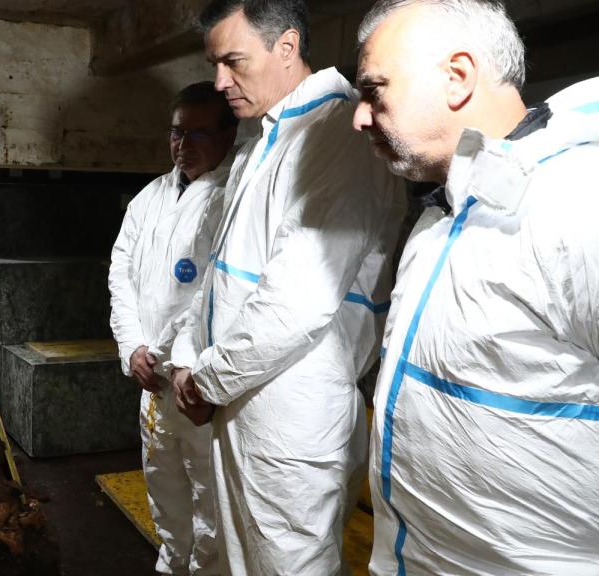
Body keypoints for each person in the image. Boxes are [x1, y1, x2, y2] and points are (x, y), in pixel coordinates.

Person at [353, 1, 599, 573]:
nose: (360, 117)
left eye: (374, 90)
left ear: (458, 76)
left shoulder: (576, 201)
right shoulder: (446, 210)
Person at [164, 1, 405, 574]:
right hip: (240, 394)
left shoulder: (336, 133)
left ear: (287, 47)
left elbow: (296, 302)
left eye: (234, 62)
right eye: (214, 64)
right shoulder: (267, 138)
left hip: (291, 412)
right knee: (241, 559)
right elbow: (220, 272)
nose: (220, 82)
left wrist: (205, 381)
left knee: (287, 563)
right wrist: (186, 355)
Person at [109, 81, 238, 576]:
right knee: (163, 486)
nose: (184, 145)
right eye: (177, 132)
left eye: (200, 133)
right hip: (153, 379)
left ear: (228, 135)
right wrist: (132, 346)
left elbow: (210, 293)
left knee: (210, 498)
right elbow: (121, 275)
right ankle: (171, 565)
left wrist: (168, 355)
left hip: (198, 382)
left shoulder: (231, 197)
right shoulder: (150, 198)